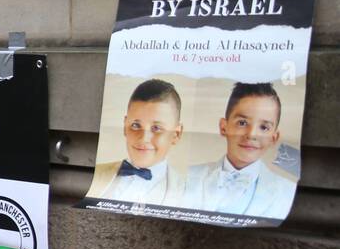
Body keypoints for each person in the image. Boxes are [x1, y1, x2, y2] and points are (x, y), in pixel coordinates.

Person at [183, 82, 295, 220]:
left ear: (274, 138)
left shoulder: (289, 191)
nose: (251, 134)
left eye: (264, 127)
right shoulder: (186, 177)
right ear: (224, 127)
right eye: (242, 123)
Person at [96, 79, 186, 205]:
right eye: (136, 125)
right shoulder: (95, 174)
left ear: (176, 134)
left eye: (156, 128)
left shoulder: (187, 191)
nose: (144, 138)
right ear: (125, 126)